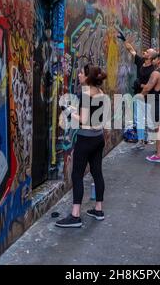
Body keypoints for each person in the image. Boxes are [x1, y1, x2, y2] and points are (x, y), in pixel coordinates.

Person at [56, 65, 107, 228]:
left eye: (81, 73)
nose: (78, 75)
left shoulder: (86, 94)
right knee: (97, 172)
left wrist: (68, 111)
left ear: (87, 77)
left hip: (85, 140)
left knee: (77, 175)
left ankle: (75, 215)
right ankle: (98, 210)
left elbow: (84, 120)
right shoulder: (101, 93)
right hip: (98, 138)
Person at [124, 42, 158, 150]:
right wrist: (125, 40)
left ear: (151, 57)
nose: (144, 52)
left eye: (147, 52)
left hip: (147, 96)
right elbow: (132, 50)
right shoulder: (141, 62)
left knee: (148, 119)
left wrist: (141, 85)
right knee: (138, 119)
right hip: (139, 96)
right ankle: (140, 141)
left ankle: (151, 138)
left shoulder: (153, 70)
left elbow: (151, 85)